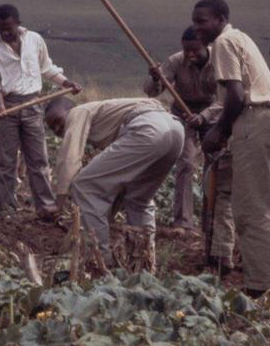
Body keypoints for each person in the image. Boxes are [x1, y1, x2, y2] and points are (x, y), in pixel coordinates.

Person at [193, 0, 270, 294]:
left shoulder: (223, 43)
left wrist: (218, 132)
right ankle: (259, 279)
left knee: (251, 208)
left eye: (202, 21)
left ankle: (261, 285)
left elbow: (236, 95)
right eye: (195, 22)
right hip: (261, 121)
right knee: (245, 201)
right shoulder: (238, 38)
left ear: (220, 19)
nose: (197, 28)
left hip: (254, 121)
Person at [46, 95, 184, 253]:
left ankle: (96, 259)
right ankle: (142, 263)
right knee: (137, 199)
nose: (57, 129)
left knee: (85, 185)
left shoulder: (78, 112)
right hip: (174, 129)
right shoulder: (105, 118)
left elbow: (69, 158)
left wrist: (59, 201)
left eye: (57, 121)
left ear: (68, 109)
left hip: (147, 129)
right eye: (52, 128)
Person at [0, 4, 79, 220]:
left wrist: (66, 83)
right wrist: (0, 105)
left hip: (34, 104)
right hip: (7, 107)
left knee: (38, 159)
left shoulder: (34, 40)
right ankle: (6, 211)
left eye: (8, 27)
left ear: (17, 23)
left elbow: (47, 68)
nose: (5, 33)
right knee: (5, 162)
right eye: (0, 29)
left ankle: (45, 206)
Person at [144, 26, 215, 229]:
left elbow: (224, 99)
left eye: (195, 50)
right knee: (186, 164)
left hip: (212, 115)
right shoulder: (175, 60)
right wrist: (156, 78)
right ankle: (183, 223)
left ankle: (211, 223)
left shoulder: (219, 61)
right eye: (187, 51)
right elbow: (150, 92)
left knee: (214, 166)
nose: (190, 55)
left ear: (206, 46)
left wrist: (203, 117)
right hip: (183, 114)